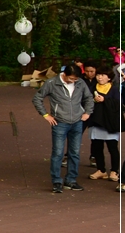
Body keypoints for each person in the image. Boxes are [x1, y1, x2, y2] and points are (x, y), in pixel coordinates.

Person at [32, 62, 95, 193]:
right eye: (71, 78)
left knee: (75, 152)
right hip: (59, 122)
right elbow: (37, 98)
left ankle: (71, 180)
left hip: (77, 121)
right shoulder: (52, 83)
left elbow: (89, 97)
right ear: (64, 75)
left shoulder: (80, 83)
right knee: (58, 153)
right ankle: (56, 181)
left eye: (76, 79)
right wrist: (45, 115)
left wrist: (87, 113)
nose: (74, 81)